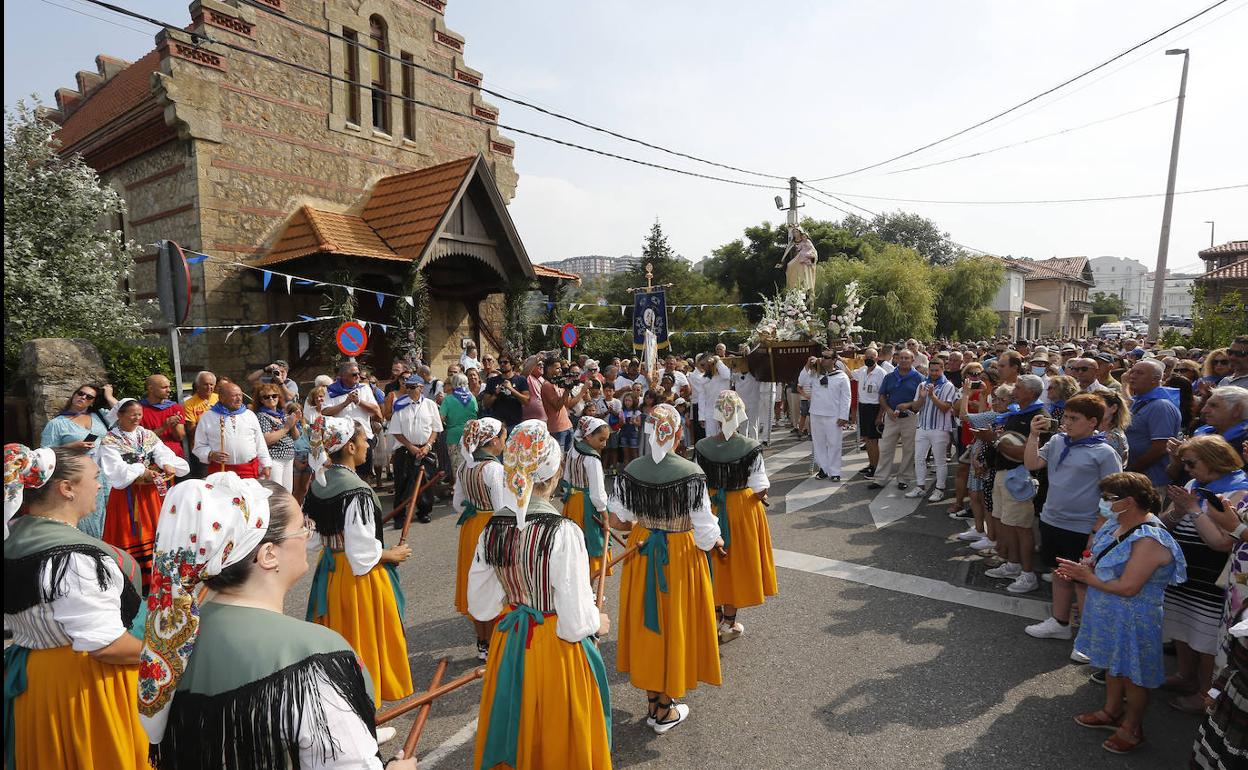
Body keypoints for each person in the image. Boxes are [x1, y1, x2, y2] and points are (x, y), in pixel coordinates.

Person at [137, 473, 415, 768]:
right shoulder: (313, 653)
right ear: (268, 555)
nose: (308, 535)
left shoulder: (175, 642)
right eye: (302, 528)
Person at [467, 420, 611, 769]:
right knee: (558, 734)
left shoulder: (492, 529)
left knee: (517, 728)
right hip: (556, 645)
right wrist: (598, 620)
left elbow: (482, 606)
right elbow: (576, 622)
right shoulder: (563, 531)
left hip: (511, 641)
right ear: (553, 472)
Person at [4, 444, 148, 770]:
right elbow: (107, 646)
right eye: (95, 478)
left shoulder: (16, 537)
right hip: (83, 688)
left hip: (39, 679)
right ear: (66, 489)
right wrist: (171, 654)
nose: (100, 485)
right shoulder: (73, 559)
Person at [608, 403, 722, 734]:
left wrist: (645, 517)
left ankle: (653, 702)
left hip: (642, 550)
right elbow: (704, 531)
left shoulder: (632, 469)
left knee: (649, 624)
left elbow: (618, 520)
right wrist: (715, 540)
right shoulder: (691, 472)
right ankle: (665, 707)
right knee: (674, 622)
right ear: (676, 434)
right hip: (679, 552)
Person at [1058, 472, 1186, 755]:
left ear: (1129, 501)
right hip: (1108, 610)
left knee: (1133, 675)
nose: (1103, 503)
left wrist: (1086, 577)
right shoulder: (1115, 524)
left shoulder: (1150, 538)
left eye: (1108, 499)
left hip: (1134, 618)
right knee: (1114, 667)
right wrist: (1080, 569)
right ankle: (1111, 711)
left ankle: (1132, 728)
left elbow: (1129, 587)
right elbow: (1099, 562)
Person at [303, 416, 414, 713]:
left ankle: (343, 707)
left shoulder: (319, 484)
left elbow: (312, 539)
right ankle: (364, 712)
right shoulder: (357, 490)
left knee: (340, 639)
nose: (368, 445)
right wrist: (393, 553)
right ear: (350, 447)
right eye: (364, 440)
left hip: (330, 575)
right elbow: (363, 554)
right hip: (357, 580)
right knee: (361, 643)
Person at [1022, 395, 1124, 643]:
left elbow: (1115, 492)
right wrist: (1033, 436)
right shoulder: (1058, 441)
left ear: (1092, 422)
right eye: (1065, 416)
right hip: (1052, 519)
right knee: (1059, 573)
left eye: (1074, 418)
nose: (1067, 422)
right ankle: (1060, 622)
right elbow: (1032, 463)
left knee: (1083, 582)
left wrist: (1097, 527)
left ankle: (1090, 639)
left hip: (1082, 526)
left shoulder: (1105, 452)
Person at [1159, 435, 1248, 714]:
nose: (1186, 468)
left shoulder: (1238, 490)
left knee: (1206, 635)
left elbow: (1222, 542)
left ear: (1214, 460)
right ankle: (1186, 675)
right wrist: (1177, 512)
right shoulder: (1194, 484)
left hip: (1212, 575)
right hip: (1185, 570)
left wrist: (1194, 510)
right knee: (1182, 625)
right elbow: (1165, 522)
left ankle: (1204, 690)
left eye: (1190, 462)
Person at [696, 391, 777, 643]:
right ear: (740, 416)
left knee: (712, 561)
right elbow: (760, 487)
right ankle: (728, 623)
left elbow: (696, 481)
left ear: (718, 416)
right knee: (736, 563)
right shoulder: (751, 447)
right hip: (741, 508)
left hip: (710, 506)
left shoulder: (702, 446)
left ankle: (714, 616)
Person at [95, 398, 190, 591]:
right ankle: (132, 580)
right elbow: (116, 470)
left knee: (155, 529)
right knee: (132, 533)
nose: (137, 418)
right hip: (128, 496)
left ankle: (158, 575)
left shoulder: (145, 434)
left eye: (139, 414)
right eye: (132, 414)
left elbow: (161, 451)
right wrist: (140, 471)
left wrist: (166, 463)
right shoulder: (110, 440)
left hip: (150, 494)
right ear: (119, 416)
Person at [984, 375, 1047, 594]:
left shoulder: (1039, 417)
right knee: (1005, 522)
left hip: (1020, 478)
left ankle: (1028, 574)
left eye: (1018, 388)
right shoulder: (1018, 412)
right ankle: (1013, 564)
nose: (1013, 391)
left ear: (1031, 393)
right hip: (1004, 473)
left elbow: (1027, 453)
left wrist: (994, 441)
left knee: (1022, 528)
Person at [452, 418, 508, 660]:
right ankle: (496, 642)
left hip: (471, 527)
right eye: (504, 438)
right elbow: (501, 508)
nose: (504, 443)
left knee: (476, 583)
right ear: (494, 440)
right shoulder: (494, 469)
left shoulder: (465, 466)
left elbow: (456, 504)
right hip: (492, 527)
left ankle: (482, 642)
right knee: (496, 583)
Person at [40, 381, 115, 537]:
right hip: (78, 476)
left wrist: (108, 395)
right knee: (85, 520)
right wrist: (70, 447)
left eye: (89, 397)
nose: (83, 397)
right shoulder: (57, 424)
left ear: (93, 401)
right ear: (74, 395)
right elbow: (44, 453)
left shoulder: (99, 416)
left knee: (108, 522)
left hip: (105, 476)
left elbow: (124, 412)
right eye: (80, 393)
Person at [388, 374, 442, 526]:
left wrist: (428, 445)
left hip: (425, 448)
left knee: (426, 483)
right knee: (402, 483)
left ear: (421, 388)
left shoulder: (430, 405)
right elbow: (396, 431)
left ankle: (424, 512)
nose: (409, 390)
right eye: (407, 387)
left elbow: (435, 429)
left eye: (412, 387)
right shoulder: (399, 404)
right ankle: (399, 516)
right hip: (405, 450)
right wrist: (410, 446)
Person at [562, 416, 613, 578]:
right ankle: (589, 587)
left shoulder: (573, 450)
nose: (604, 444)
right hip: (588, 505)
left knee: (575, 542)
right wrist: (605, 515)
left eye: (606, 440)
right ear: (588, 436)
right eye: (601, 439)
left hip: (572, 502)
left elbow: (567, 478)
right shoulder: (592, 459)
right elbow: (597, 492)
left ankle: (576, 580)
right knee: (592, 543)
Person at [191, 380, 272, 479]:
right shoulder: (208, 417)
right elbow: (198, 446)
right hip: (220, 471)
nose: (239, 399)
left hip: (248, 471)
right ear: (222, 398)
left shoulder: (249, 415)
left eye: (240, 395)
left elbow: (260, 442)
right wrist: (210, 454)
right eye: (234, 396)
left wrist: (266, 464)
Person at [1124, 359, 1184, 490]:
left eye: (1140, 373)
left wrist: (1131, 471)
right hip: (1136, 480)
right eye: (1132, 371)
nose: (1132, 376)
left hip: (1151, 482)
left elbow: (1161, 447)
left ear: (1155, 379)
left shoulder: (1161, 406)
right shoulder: (1138, 402)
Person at [870, 350, 923, 491]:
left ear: (913, 360)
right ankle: (880, 479)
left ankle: (904, 478)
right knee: (886, 448)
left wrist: (908, 405)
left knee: (908, 449)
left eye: (907, 358)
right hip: (891, 417)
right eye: (901, 358)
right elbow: (882, 395)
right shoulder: (890, 376)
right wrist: (887, 410)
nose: (904, 360)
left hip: (910, 418)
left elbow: (921, 399)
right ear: (897, 359)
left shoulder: (919, 378)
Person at [321, 361, 384, 480]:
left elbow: (375, 409)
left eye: (358, 374)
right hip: (342, 440)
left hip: (363, 437)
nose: (358, 377)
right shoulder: (330, 391)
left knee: (364, 473)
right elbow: (324, 412)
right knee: (343, 473)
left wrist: (359, 401)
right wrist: (345, 403)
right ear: (343, 376)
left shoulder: (364, 388)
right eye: (354, 374)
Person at [909, 357, 959, 501]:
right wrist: (923, 398)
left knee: (939, 461)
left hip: (940, 428)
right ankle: (920, 486)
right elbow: (915, 407)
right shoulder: (922, 385)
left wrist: (932, 396)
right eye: (932, 370)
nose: (934, 373)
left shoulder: (948, 386)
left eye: (937, 370)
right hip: (923, 427)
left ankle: (940, 488)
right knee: (919, 458)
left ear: (942, 370)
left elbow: (946, 408)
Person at [806, 351, 853, 481]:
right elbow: (802, 380)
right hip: (816, 413)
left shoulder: (841, 376)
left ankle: (835, 471)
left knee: (834, 443)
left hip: (833, 415)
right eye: (822, 357)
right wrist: (808, 364)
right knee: (818, 443)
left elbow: (846, 397)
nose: (823, 360)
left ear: (833, 360)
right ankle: (823, 469)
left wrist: (844, 415)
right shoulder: (815, 374)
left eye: (826, 358)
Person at [251, 381, 301, 492]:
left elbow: (296, 437)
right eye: (266, 397)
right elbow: (266, 440)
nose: (271, 398)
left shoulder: (282, 415)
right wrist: (286, 428)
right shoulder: (261, 416)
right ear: (261, 400)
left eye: (274, 396)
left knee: (287, 492)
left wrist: (293, 423)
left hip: (288, 458)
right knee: (277, 493)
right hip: (274, 459)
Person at [853, 353, 888, 478]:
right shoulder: (862, 370)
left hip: (874, 407)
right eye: (867, 356)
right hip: (863, 407)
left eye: (872, 356)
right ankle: (871, 464)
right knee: (867, 439)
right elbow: (850, 373)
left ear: (877, 358)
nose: (869, 358)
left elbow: (884, 395)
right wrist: (840, 361)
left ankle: (876, 467)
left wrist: (880, 415)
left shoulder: (881, 373)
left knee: (873, 440)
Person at [439, 372, 478, 481]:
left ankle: (459, 492)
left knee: (457, 467)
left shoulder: (448, 399)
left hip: (453, 436)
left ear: (453, 384)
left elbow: (440, 418)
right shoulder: (473, 398)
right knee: (470, 465)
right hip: (470, 435)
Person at [181, 371, 218, 478]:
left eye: (211, 384)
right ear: (197, 385)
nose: (209, 387)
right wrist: (208, 418)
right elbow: (191, 430)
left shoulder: (220, 399)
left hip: (219, 447)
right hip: (201, 450)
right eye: (205, 384)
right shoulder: (189, 404)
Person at [140, 374, 186, 458]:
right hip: (151, 457)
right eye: (164, 387)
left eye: (169, 387)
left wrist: (174, 425)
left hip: (175, 457)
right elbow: (142, 441)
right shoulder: (139, 410)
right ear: (151, 389)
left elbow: (179, 437)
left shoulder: (175, 407)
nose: (169, 390)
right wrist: (164, 427)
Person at [482, 353, 531, 430]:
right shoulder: (492, 381)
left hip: (515, 424)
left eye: (505, 362)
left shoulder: (520, 380)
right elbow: (486, 404)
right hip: (497, 424)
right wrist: (495, 394)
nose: (502, 364)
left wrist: (511, 389)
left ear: (512, 365)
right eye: (500, 362)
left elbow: (526, 401)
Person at [542, 357, 577, 453]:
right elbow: (557, 406)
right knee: (559, 458)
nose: (560, 370)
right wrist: (567, 389)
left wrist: (567, 387)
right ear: (549, 369)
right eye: (557, 368)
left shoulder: (556, 383)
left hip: (567, 425)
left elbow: (567, 403)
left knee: (569, 457)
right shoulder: (547, 385)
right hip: (557, 428)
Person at [1096, 389, 1132, 464]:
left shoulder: (1115, 437)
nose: (1094, 409)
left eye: (1099, 405)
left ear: (1113, 408)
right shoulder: (1094, 431)